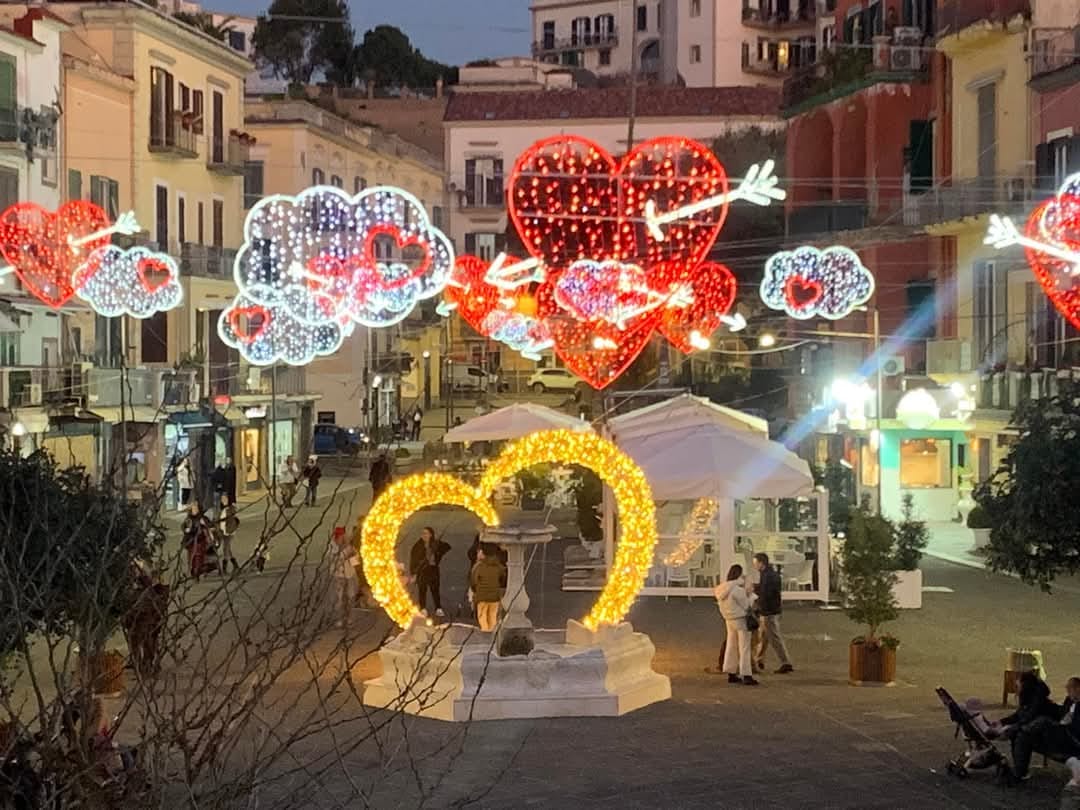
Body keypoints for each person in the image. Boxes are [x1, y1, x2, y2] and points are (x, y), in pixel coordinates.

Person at [1011, 677, 1080, 781]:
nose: (1067, 689)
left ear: (1078, 689)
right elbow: (1059, 713)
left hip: (1073, 738)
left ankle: (1015, 730)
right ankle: (1019, 773)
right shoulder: (1069, 701)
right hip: (1061, 733)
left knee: (1042, 721)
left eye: (1070, 687)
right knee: (1023, 736)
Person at [714, 564, 759, 686]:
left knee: (731, 645)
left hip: (729, 619)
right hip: (741, 619)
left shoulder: (720, 588)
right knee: (744, 647)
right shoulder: (737, 590)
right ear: (739, 575)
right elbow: (747, 605)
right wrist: (750, 594)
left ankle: (731, 672)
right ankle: (746, 674)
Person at [752, 553, 794, 674]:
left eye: (755, 563)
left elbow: (766, 594)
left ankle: (786, 662)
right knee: (765, 636)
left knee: (773, 637)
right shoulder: (770, 574)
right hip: (773, 609)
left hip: (769, 611)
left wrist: (759, 606)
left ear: (761, 563)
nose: (754, 566)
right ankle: (759, 659)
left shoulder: (768, 576)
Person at [409, 526, 450, 618]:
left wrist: (437, 545)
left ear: (431, 535)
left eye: (426, 533)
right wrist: (413, 573)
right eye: (423, 533)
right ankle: (423, 608)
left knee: (435, 589)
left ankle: (438, 608)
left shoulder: (435, 544)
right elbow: (413, 560)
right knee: (422, 589)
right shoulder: (418, 546)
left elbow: (446, 547)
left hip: (433, 570)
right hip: (422, 571)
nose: (424, 535)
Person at [329, 527, 359, 628]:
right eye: (341, 537)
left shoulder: (349, 547)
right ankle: (340, 619)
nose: (343, 539)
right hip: (339, 576)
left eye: (344, 537)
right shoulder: (332, 548)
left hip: (350, 574)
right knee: (339, 598)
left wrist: (353, 557)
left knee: (351, 596)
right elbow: (334, 560)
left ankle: (350, 618)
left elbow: (356, 561)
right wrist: (345, 556)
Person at [181, 503, 212, 581]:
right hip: (191, 542)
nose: (195, 510)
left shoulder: (202, 518)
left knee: (199, 558)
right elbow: (184, 526)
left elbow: (209, 525)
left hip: (200, 542)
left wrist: (204, 524)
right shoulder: (189, 518)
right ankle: (193, 571)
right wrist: (186, 530)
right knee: (191, 558)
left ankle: (197, 573)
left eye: (196, 509)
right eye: (193, 509)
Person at [214, 493, 240, 574]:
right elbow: (218, 520)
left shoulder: (231, 508)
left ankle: (224, 569)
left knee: (226, 549)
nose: (224, 500)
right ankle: (235, 565)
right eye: (222, 499)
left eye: (225, 499)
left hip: (229, 532)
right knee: (228, 549)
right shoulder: (221, 510)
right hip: (222, 532)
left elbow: (234, 518)